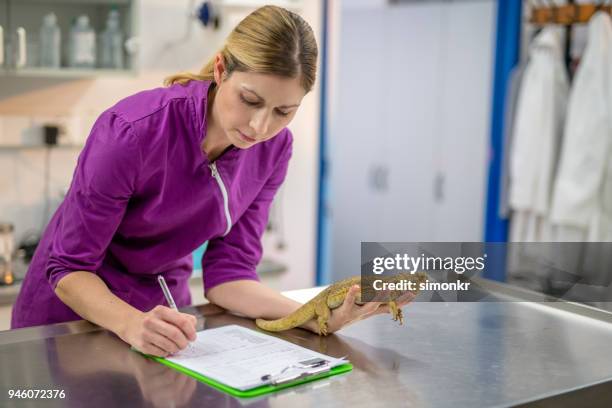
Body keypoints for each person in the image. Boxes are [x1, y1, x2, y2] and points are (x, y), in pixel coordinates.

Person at [11, 6, 412, 356]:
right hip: (67, 325)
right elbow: (68, 267)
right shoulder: (132, 132)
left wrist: (317, 315)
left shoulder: (274, 150)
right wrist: (132, 323)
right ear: (221, 69)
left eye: (283, 111)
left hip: (164, 322)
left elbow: (230, 276)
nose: (260, 126)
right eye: (250, 101)